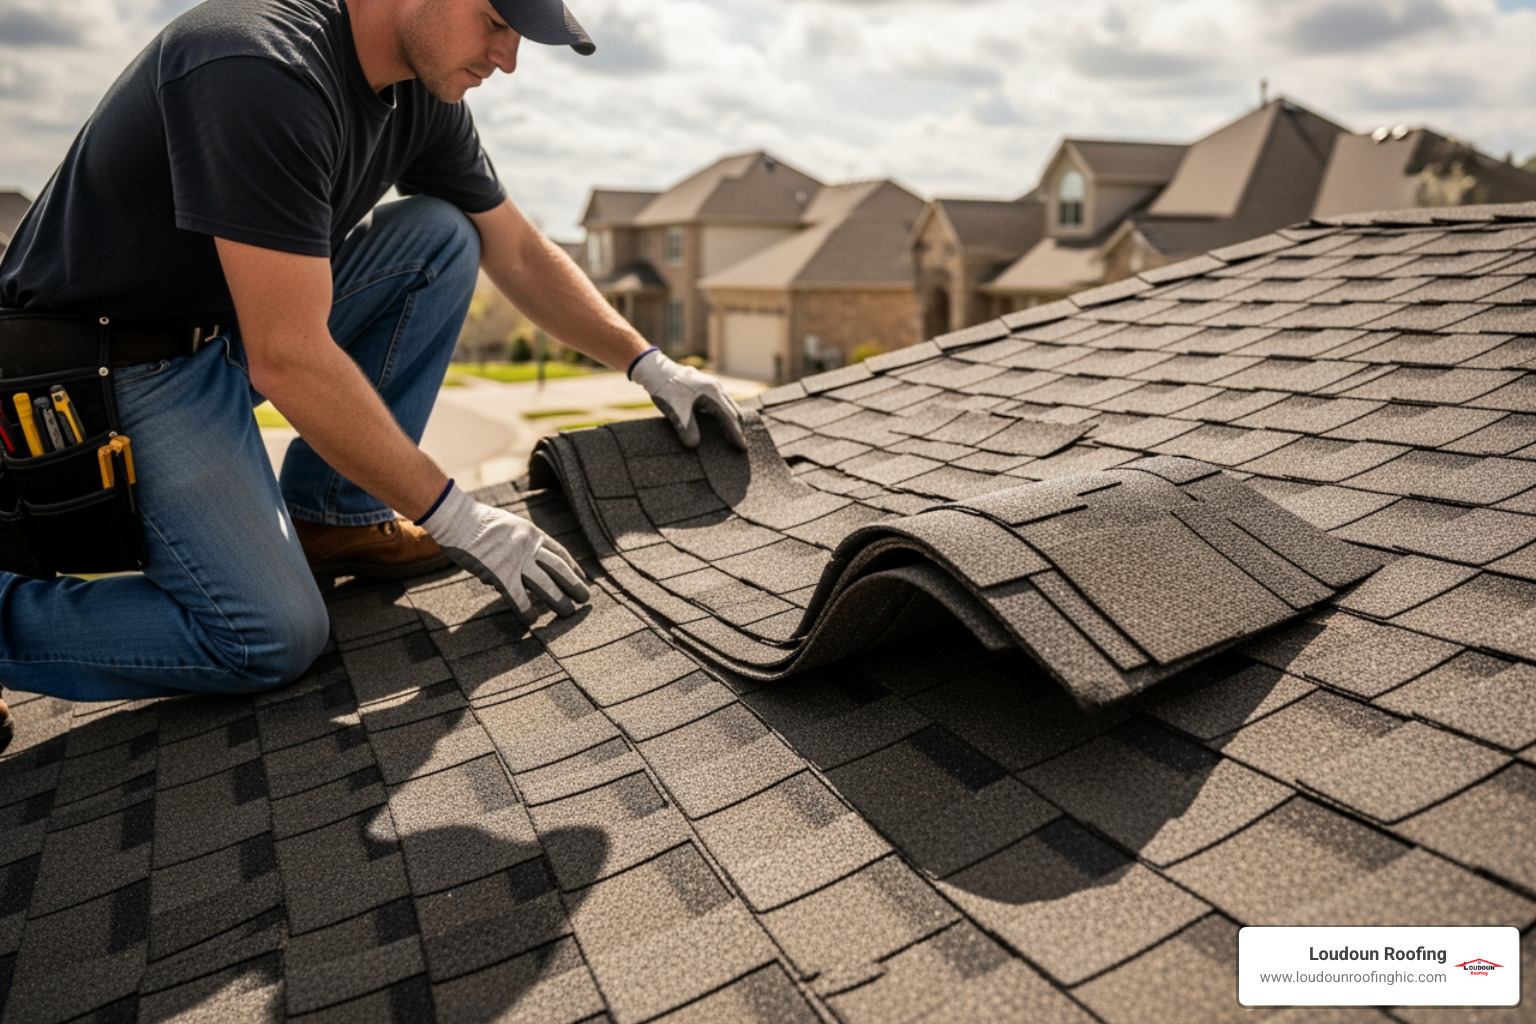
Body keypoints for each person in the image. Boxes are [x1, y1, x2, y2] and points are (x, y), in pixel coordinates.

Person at [0, 0, 746, 752]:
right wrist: (457, 517)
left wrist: (649, 364)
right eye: (495, 21)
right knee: (267, 637)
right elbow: (288, 357)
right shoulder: (258, 67)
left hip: (223, 329)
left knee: (441, 237)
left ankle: (336, 516)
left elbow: (514, 249)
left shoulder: (423, 90)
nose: (509, 58)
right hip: (110, 368)